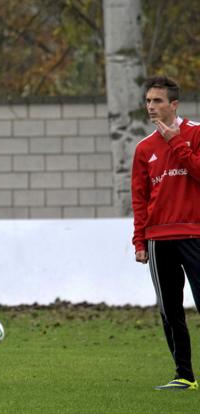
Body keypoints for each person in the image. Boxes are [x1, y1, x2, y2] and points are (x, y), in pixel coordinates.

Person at [131, 75, 200, 391]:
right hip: (159, 239)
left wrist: (176, 142)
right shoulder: (144, 148)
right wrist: (140, 239)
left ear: (174, 104)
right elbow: (140, 198)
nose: (150, 107)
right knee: (170, 311)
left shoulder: (196, 133)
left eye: (157, 101)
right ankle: (184, 375)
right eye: (147, 101)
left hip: (195, 234)